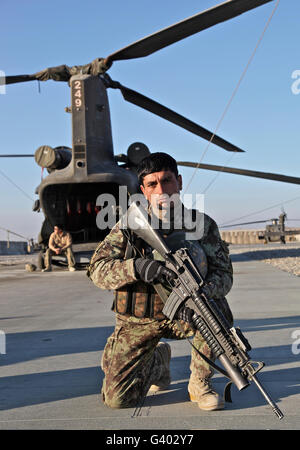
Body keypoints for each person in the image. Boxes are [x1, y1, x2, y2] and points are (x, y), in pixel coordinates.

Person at [87, 153, 233, 411]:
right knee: (119, 399)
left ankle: (200, 383)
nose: (162, 190)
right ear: (143, 190)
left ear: (179, 182)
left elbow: (224, 275)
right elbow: (97, 270)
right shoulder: (130, 227)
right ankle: (157, 362)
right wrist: (136, 267)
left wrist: (198, 295)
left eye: (167, 181)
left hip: (188, 315)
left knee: (214, 311)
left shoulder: (202, 225)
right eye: (152, 184)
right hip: (140, 320)